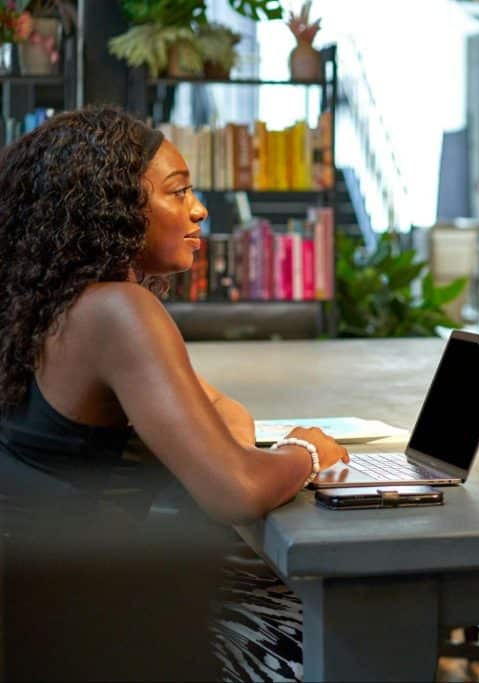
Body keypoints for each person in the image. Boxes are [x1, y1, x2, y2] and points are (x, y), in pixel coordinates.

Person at [0, 107, 349, 681]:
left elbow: (222, 412)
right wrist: (308, 453)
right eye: (178, 191)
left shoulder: (47, 306)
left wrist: (222, 450)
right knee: (351, 632)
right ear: (111, 204)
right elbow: (235, 492)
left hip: (42, 615)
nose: (199, 208)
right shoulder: (118, 310)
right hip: (97, 629)